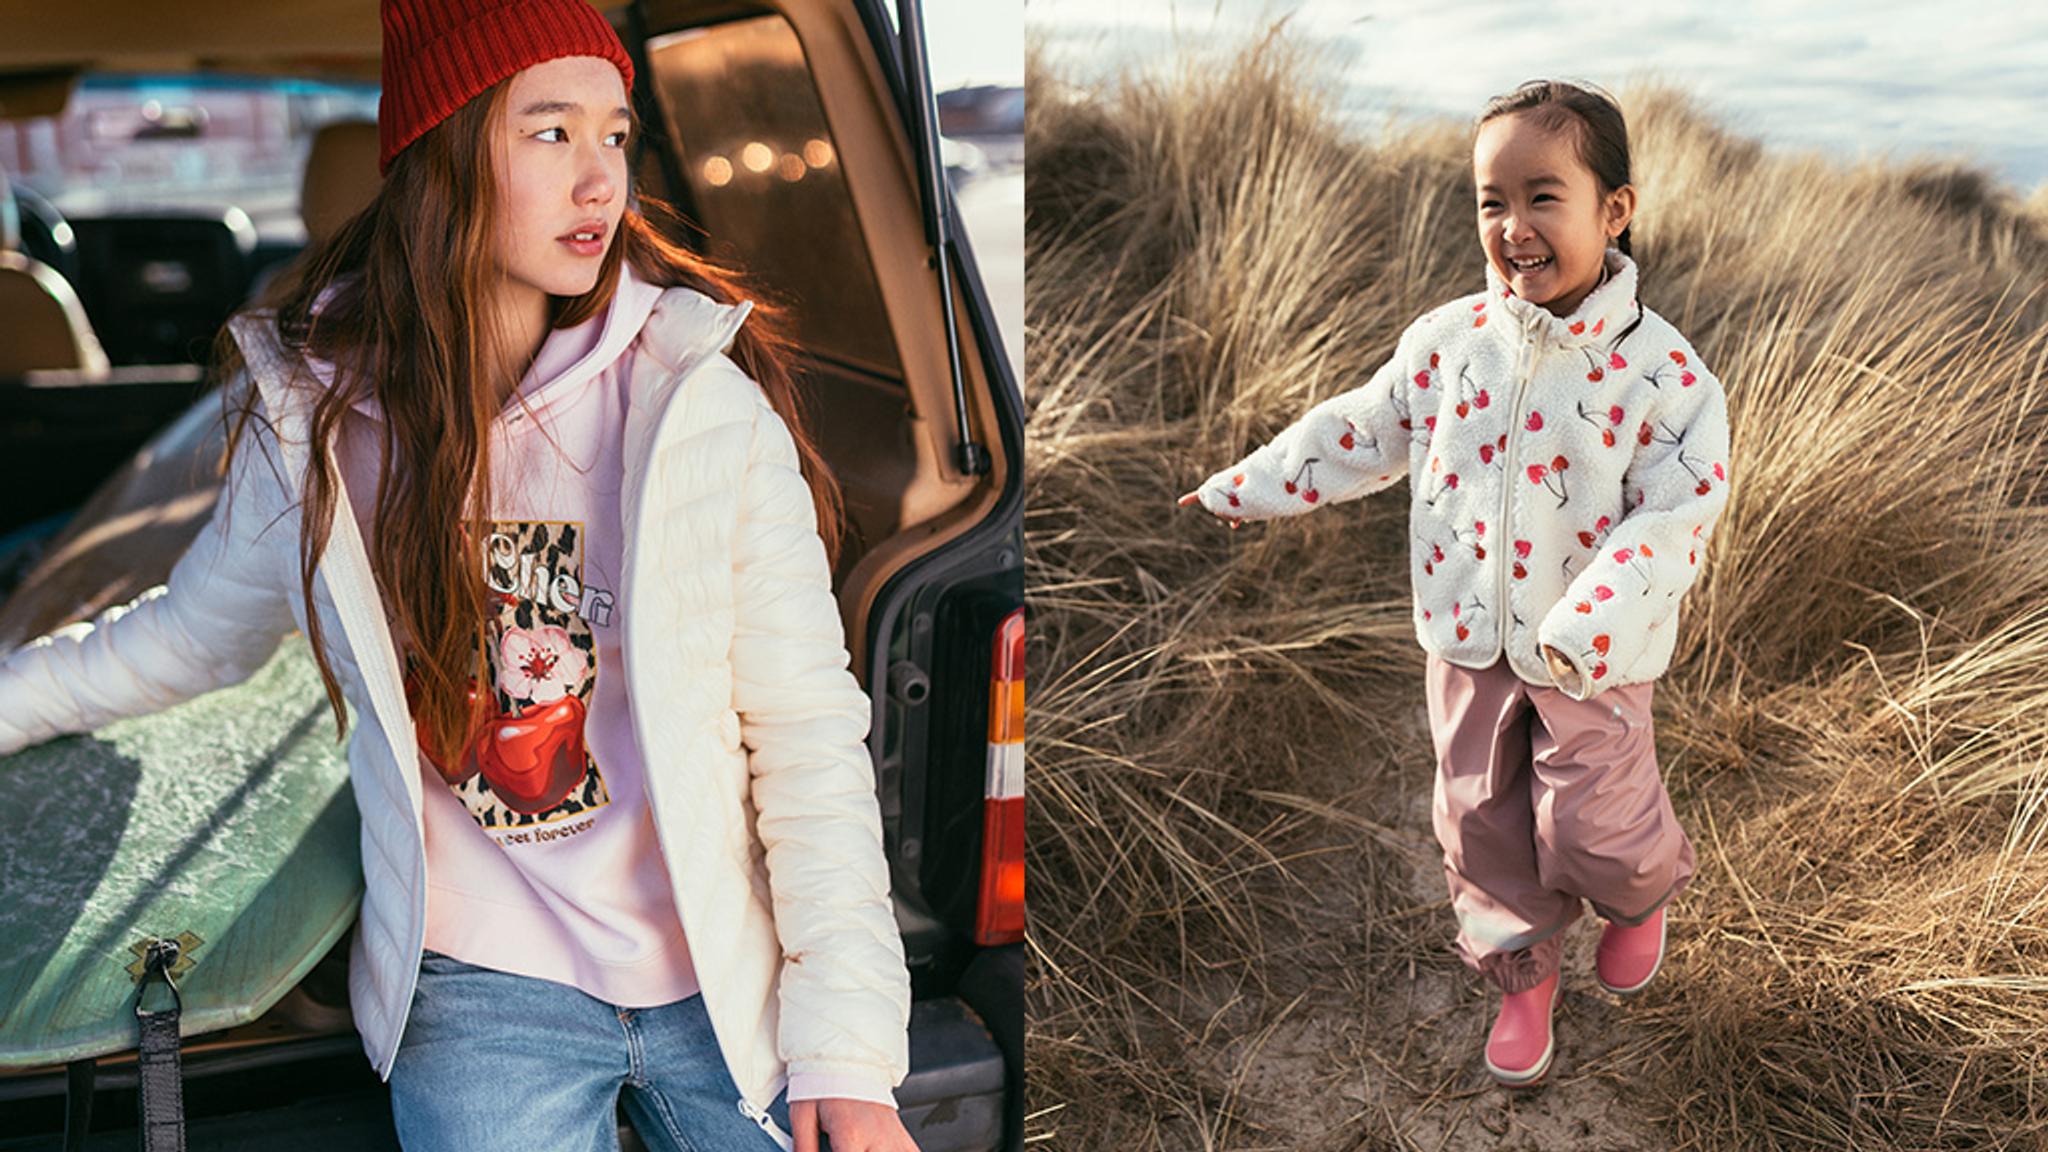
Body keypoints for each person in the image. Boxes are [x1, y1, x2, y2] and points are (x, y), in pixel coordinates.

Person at [0, 1, 916, 1148]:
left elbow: (804, 734)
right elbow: (180, 641)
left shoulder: (695, 410)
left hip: (723, 969)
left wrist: (847, 1048)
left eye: (616, 135)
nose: (600, 182)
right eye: (550, 132)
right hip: (485, 987)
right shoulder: (320, 430)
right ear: (443, 155)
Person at [1179, 79, 1733, 1088]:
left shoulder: (1664, 375)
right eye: (1490, 200)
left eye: (1541, 196)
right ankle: (1522, 977)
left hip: (1592, 655)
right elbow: (1358, 431)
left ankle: (1638, 895)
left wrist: (1587, 618)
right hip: (1464, 636)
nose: (1513, 227)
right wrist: (1243, 486)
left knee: (1593, 824)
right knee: (1477, 823)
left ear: (1613, 210)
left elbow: (1676, 514)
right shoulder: (1447, 344)